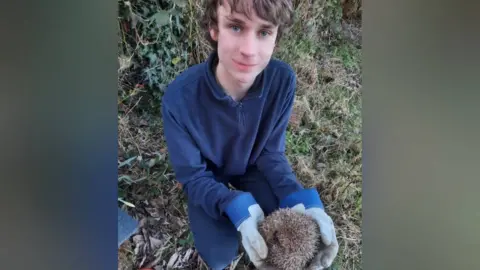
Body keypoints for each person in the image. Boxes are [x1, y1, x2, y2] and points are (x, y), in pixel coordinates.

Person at [161, 0, 339, 269]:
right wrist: (233, 204)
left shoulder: (282, 81)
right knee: (219, 256)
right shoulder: (179, 98)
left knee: (303, 239)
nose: (249, 51)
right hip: (208, 178)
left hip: (256, 168)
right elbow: (193, 176)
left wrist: (298, 198)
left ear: (276, 36)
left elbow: (270, 152)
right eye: (235, 26)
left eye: (264, 32)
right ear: (214, 28)